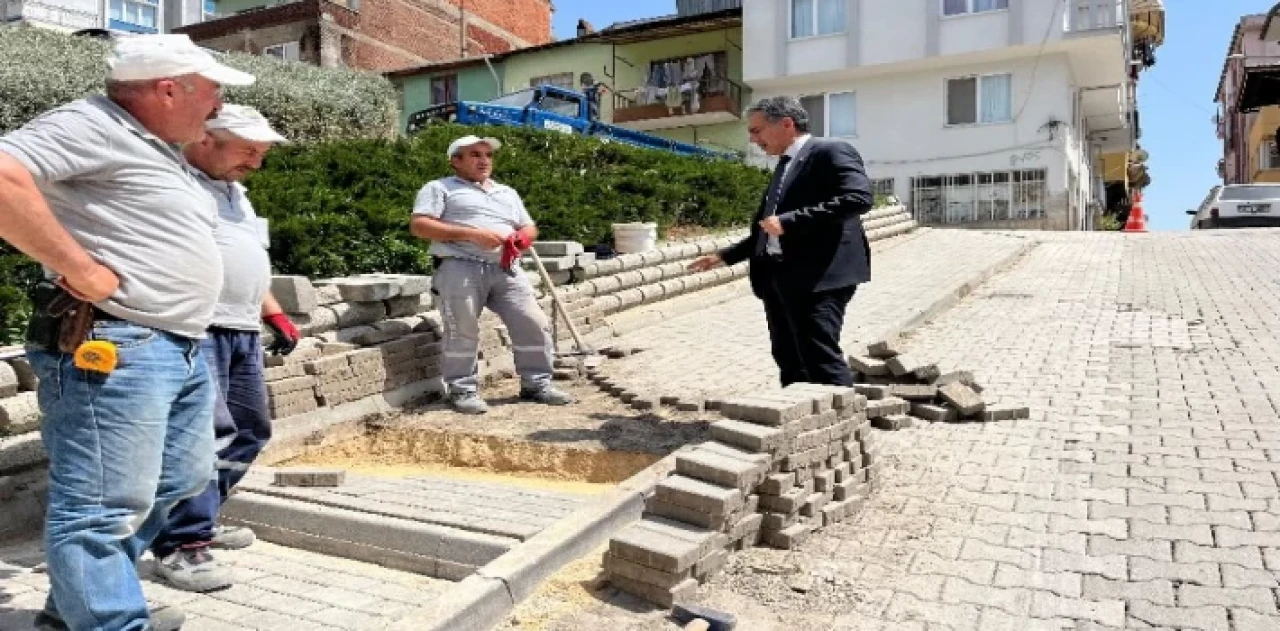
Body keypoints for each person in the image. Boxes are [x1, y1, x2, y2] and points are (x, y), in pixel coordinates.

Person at [0, 34, 254, 631]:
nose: (217, 103)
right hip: (116, 343)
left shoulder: (158, 145)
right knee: (99, 508)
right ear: (170, 89)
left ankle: (74, 613)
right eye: (212, 89)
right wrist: (80, 268)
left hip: (173, 346)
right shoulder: (91, 123)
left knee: (181, 479)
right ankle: (112, 621)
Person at [148, 104, 298, 593]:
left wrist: (272, 311)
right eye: (249, 150)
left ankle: (204, 519)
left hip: (241, 328)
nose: (257, 162)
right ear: (206, 138)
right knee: (199, 438)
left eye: (262, 152)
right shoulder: (174, 184)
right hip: (196, 327)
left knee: (250, 430)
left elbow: (247, 260)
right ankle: (182, 546)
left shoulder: (237, 192)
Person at [690, 96, 873, 388]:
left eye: (757, 130)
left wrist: (790, 221)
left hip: (820, 277)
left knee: (819, 357)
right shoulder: (785, 164)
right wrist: (725, 256)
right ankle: (796, 419)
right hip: (779, 278)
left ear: (786, 124)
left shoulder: (830, 151)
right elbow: (767, 230)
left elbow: (857, 199)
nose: (753, 139)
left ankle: (843, 424)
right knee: (788, 357)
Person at [410, 135, 574, 414]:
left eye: (487, 155)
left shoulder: (506, 192)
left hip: (506, 268)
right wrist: (473, 235)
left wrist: (522, 239)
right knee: (462, 329)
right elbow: (420, 226)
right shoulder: (439, 188)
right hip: (459, 266)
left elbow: (529, 226)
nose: (484, 160)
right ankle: (462, 390)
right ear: (456, 161)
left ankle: (537, 384)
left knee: (532, 321)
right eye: (475, 154)